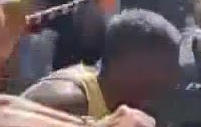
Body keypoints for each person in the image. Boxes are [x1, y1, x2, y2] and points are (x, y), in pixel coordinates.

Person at [23, 8, 182, 119]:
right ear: (133, 62)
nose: (173, 79)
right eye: (167, 67)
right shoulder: (68, 102)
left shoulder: (119, 100)